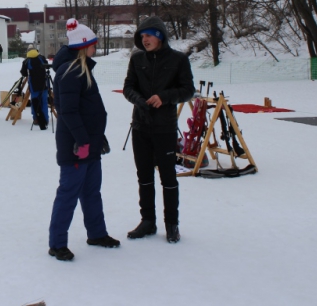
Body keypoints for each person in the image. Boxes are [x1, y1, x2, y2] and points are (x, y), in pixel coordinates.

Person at [48, 19, 117, 261]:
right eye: (94, 44)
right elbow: (68, 111)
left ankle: (97, 233)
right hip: (76, 146)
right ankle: (57, 243)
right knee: (68, 193)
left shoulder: (82, 68)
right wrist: (82, 141)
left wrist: (99, 136)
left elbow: (90, 110)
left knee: (91, 192)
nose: (95, 48)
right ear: (84, 46)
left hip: (90, 142)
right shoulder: (70, 71)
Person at [122, 16, 194, 244]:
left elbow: (187, 90)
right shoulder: (136, 59)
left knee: (168, 177)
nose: (145, 40)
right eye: (142, 36)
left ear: (160, 35)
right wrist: (139, 101)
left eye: (149, 35)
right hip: (141, 126)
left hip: (164, 128)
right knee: (144, 176)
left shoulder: (178, 60)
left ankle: (172, 224)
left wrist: (164, 97)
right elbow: (128, 87)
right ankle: (148, 221)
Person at [21, 46, 51, 130]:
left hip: (33, 84)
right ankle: (45, 119)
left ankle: (36, 119)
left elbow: (24, 73)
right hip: (43, 84)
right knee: (44, 102)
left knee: (35, 102)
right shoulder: (41, 58)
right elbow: (47, 66)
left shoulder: (27, 61)